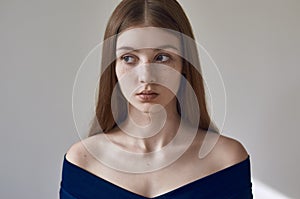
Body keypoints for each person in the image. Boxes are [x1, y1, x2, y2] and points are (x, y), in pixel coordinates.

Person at [60, 0, 253, 198]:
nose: (146, 76)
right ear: (113, 67)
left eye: (162, 57)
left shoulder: (226, 161)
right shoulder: (83, 163)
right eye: (128, 58)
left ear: (184, 65)